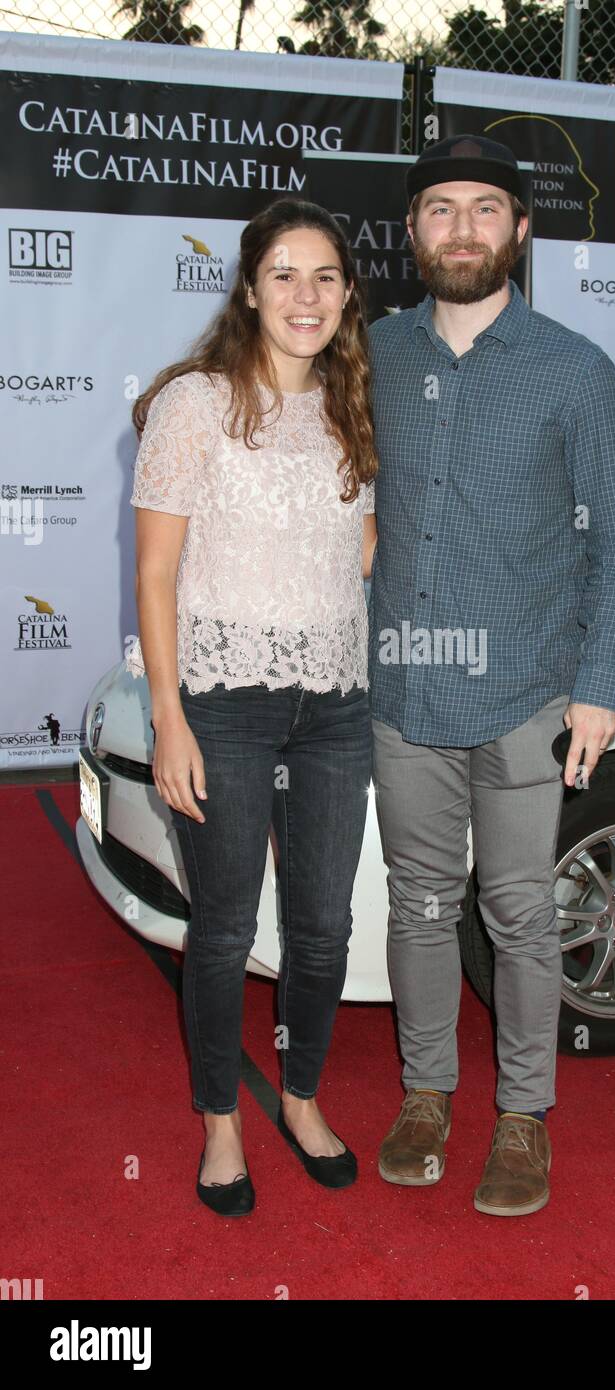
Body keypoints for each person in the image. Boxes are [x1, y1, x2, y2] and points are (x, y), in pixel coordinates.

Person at [367, 134, 615, 1217]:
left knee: (521, 915)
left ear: (520, 231)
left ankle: (523, 1116)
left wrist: (600, 681)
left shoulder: (572, 369)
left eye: (484, 209)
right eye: (440, 209)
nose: (461, 229)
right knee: (420, 904)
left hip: (529, 694)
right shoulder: (375, 353)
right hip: (404, 694)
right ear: (411, 232)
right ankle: (425, 1095)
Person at [126, 197, 378, 1216]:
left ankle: (304, 1097)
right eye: (284, 274)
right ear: (248, 287)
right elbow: (154, 576)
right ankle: (221, 1123)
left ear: (347, 294)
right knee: (224, 929)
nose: (304, 295)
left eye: (324, 276)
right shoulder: (195, 403)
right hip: (222, 704)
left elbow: (358, 553)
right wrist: (168, 716)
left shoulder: (354, 407)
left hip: (336, 707)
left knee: (322, 925)